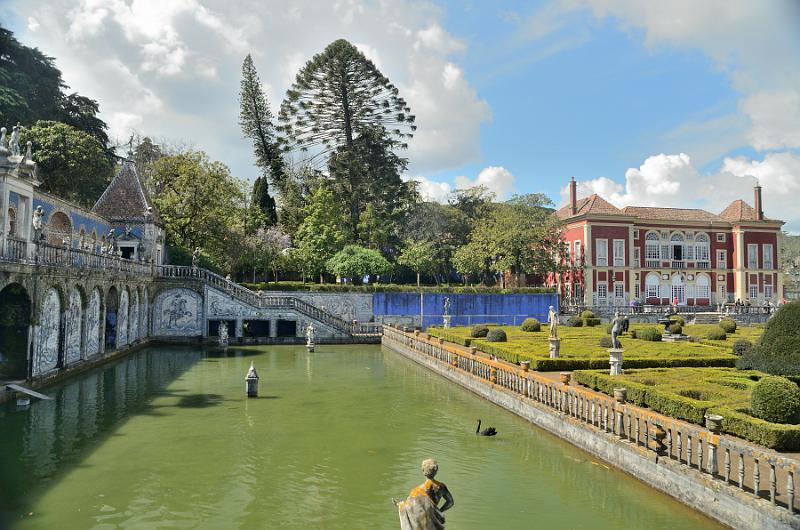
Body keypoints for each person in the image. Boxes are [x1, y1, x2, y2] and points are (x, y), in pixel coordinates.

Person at [394, 459, 454, 530]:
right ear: (436, 471)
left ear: (423, 471)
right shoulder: (441, 487)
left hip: (422, 523)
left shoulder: (416, 491)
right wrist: (439, 511)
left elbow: (408, 508)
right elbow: (450, 502)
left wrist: (400, 505)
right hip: (434, 520)